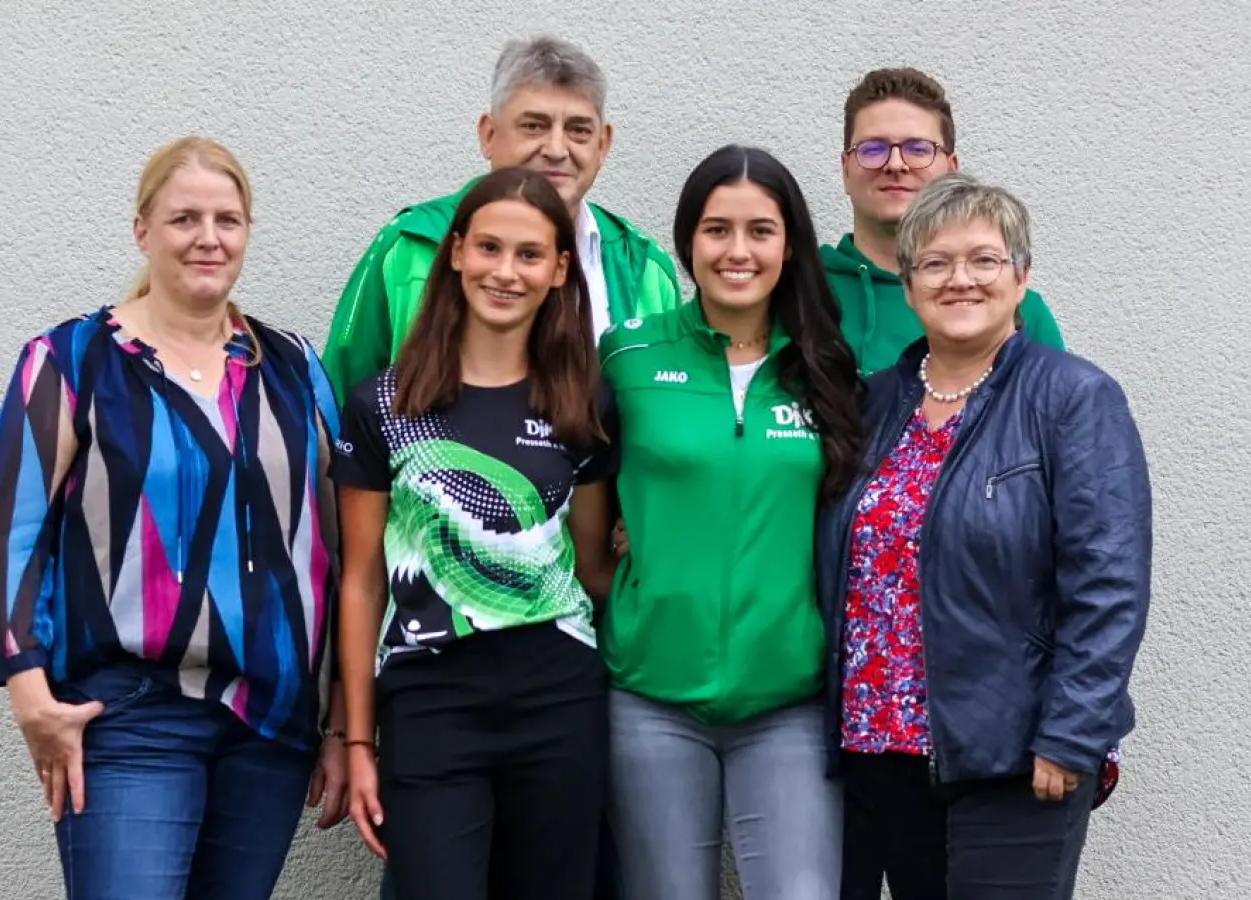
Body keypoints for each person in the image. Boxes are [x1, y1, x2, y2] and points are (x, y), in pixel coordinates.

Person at [0, 136, 348, 899]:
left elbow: (335, 546)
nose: (208, 238)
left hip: (271, 722)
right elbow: (8, 529)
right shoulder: (73, 360)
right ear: (143, 230)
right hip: (132, 715)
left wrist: (339, 719)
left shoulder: (295, 367)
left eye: (228, 220)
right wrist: (27, 688)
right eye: (184, 219)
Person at [817, 172, 1151, 900]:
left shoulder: (1073, 397)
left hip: (1016, 751)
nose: (958, 279)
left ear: (1021, 277)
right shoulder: (873, 405)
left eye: (983, 260)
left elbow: (1109, 583)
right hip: (883, 749)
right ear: (908, 286)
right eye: (934, 263)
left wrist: (1071, 732)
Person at [334, 166, 620, 900]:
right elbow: (361, 580)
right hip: (431, 701)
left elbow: (591, 568)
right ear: (456, 253)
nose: (506, 271)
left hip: (559, 695)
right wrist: (357, 741)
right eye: (489, 248)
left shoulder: (585, 400)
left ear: (560, 270)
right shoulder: (384, 405)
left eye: (529, 255)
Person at [597, 145, 865, 900]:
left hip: (789, 704)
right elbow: (590, 518)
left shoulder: (828, 369)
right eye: (717, 230)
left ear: (790, 245)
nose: (738, 251)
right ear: (687, 241)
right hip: (651, 699)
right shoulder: (628, 355)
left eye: (761, 231)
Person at [322, 34, 681, 405]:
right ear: (489, 135)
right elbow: (339, 405)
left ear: (603, 144)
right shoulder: (409, 246)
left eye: (578, 130)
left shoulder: (645, 267)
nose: (557, 150)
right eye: (534, 125)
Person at [823, 67, 1064, 375]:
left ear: (952, 170)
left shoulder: (1014, 308)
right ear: (845, 170)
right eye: (873, 149)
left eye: (918, 149)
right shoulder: (799, 291)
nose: (895, 164)